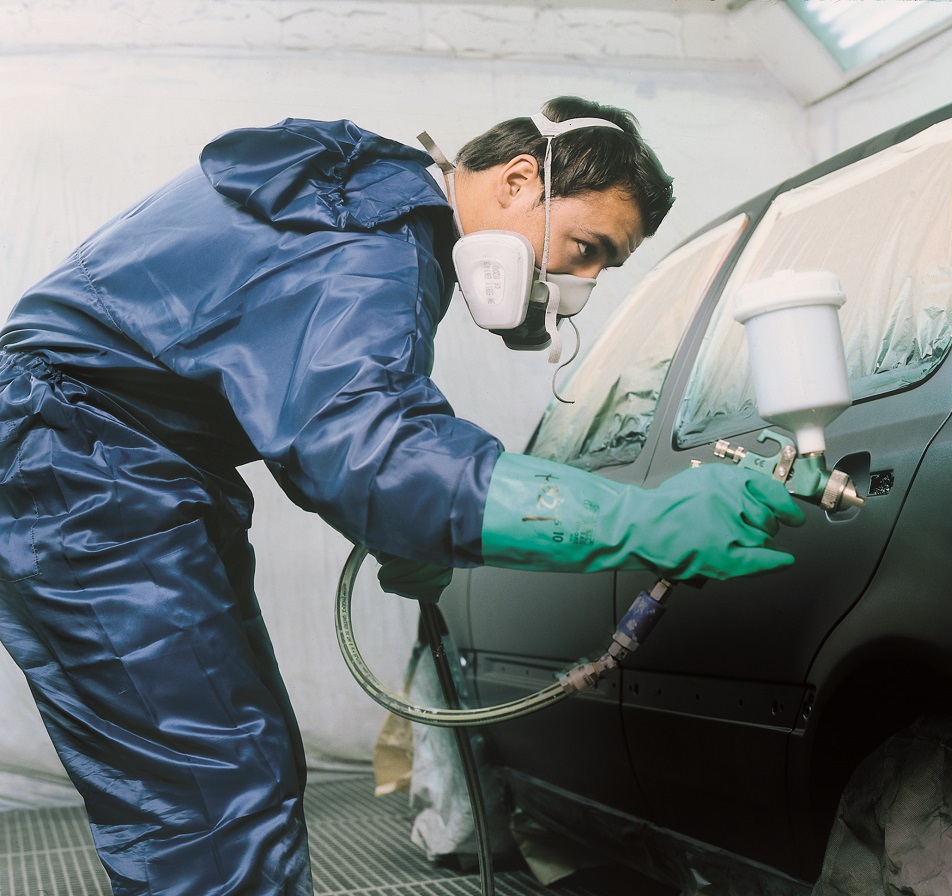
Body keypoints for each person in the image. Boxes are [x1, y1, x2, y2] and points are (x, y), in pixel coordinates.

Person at [0, 97, 805, 895]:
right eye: (586, 247)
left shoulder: (363, 198)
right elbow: (371, 446)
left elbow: (300, 395)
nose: (578, 284)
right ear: (522, 181)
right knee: (213, 796)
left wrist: (408, 525)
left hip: (99, 462)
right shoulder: (377, 233)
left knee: (234, 768)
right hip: (82, 466)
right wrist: (640, 515)